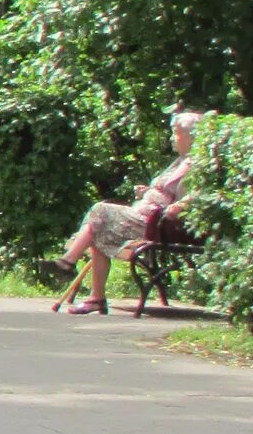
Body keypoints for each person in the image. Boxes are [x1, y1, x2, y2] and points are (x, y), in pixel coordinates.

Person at [53, 110, 201, 316]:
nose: (172, 138)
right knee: (98, 229)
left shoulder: (194, 165)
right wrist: (147, 191)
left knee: (100, 210)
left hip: (154, 223)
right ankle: (95, 297)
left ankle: (69, 261)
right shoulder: (179, 162)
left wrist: (153, 194)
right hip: (143, 215)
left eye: (176, 133)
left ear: (191, 136)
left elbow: (184, 201)